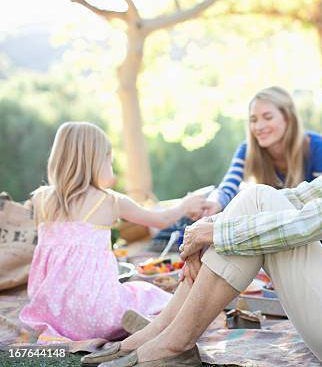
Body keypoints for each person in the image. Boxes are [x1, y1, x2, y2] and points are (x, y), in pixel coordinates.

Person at [84, 43, 322, 367]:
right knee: (256, 197)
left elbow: (320, 219)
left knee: (255, 210)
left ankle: (169, 343)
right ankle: (161, 334)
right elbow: (297, 198)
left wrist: (217, 231)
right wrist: (214, 232)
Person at [19, 122, 207, 342]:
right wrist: (186, 204)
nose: (111, 165)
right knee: (147, 294)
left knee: (131, 296)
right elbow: (161, 219)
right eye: (109, 160)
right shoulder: (109, 201)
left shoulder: (40, 199)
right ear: (95, 161)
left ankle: (147, 324)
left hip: (52, 314)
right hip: (99, 316)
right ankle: (154, 325)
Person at [150, 86, 322, 253]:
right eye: (253, 120)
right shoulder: (247, 149)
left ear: (287, 118)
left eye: (267, 117)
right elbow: (229, 184)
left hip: (308, 230)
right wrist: (215, 202)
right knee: (223, 198)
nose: (259, 126)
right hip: (271, 226)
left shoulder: (318, 147)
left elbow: (318, 202)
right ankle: (173, 234)